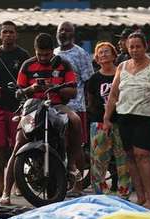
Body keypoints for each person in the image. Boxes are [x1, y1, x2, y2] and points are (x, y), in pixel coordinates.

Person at [0, 33, 81, 206]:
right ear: (34, 51)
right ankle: (6, 192)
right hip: (32, 106)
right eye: (39, 54)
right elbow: (18, 92)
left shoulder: (64, 64)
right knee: (18, 144)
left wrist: (54, 88)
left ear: (53, 51)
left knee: (75, 120)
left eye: (47, 54)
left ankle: (72, 164)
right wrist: (32, 88)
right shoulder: (27, 65)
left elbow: (73, 91)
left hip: (57, 105)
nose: (43, 58)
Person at [103, 32, 150, 211]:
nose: (134, 50)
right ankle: (140, 198)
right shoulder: (122, 67)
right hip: (124, 116)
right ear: (126, 47)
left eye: (138, 46)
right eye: (131, 46)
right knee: (131, 157)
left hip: (147, 117)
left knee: (143, 156)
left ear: (145, 47)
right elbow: (113, 95)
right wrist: (107, 118)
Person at [0, 21, 30, 199]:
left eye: (11, 32)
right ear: (0, 35)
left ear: (16, 35)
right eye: (5, 32)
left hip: (17, 108)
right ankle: (0, 186)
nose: (8, 35)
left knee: (18, 147)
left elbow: (29, 79)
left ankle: (17, 184)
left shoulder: (23, 55)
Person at [86, 42, 130, 198]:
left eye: (107, 52)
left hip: (121, 122)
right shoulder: (93, 79)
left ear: (114, 55)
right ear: (97, 58)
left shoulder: (122, 74)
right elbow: (90, 103)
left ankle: (123, 194)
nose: (103, 54)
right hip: (99, 123)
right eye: (100, 53)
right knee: (98, 162)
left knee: (123, 160)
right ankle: (101, 195)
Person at [54, 21, 93, 197]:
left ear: (73, 34)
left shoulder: (81, 53)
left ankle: (78, 186)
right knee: (58, 147)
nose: (63, 33)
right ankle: (60, 183)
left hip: (76, 107)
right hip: (55, 108)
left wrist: (89, 105)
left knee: (76, 148)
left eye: (67, 30)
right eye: (61, 30)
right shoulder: (53, 53)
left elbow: (89, 81)